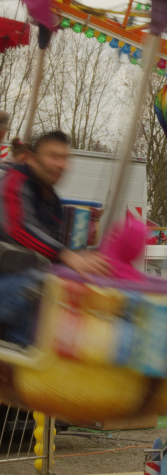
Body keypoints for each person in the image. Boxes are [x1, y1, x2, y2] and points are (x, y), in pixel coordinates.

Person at [0, 130, 110, 346]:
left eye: (65, 158)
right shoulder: (15, 180)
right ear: (32, 159)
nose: (61, 164)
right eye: (54, 156)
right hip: (10, 278)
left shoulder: (54, 202)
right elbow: (19, 228)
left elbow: (56, 248)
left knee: (62, 292)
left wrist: (87, 261)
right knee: (38, 283)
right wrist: (66, 255)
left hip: (21, 283)